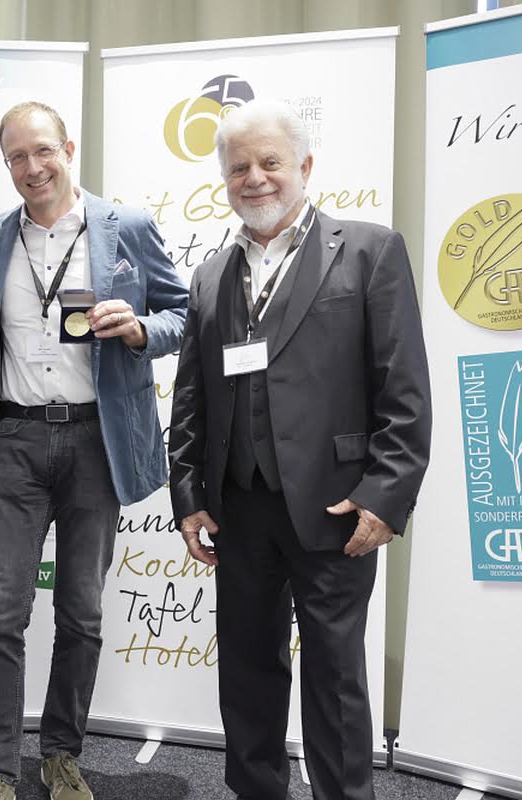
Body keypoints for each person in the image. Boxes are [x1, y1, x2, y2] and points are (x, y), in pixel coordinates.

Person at [168, 98, 432, 800]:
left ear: (305, 166)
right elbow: (191, 397)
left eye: (270, 162)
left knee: (335, 677)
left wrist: (385, 496)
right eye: (239, 168)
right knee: (247, 671)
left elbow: (404, 387)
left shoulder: (370, 250)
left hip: (337, 505)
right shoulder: (210, 275)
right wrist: (188, 495)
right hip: (239, 508)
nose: (254, 178)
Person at [0, 101, 188, 800]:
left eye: (42, 151)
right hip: (17, 438)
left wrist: (140, 329)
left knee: (81, 612)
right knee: (0, 612)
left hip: (98, 439)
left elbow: (186, 314)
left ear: (67, 148)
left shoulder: (128, 227)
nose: (32, 167)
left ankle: (61, 756)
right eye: (16, 157)